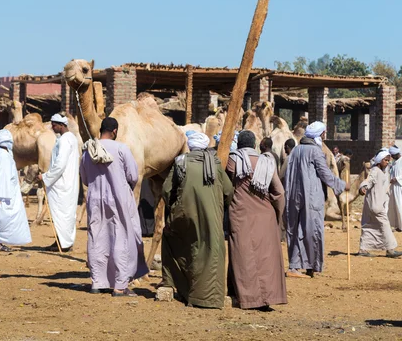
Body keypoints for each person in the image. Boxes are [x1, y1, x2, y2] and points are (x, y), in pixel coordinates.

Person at [160, 131, 234, 308]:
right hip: (211, 217)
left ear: (190, 146)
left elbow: (166, 190)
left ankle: (178, 286)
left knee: (172, 241)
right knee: (212, 250)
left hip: (184, 215)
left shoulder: (181, 162)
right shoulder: (215, 164)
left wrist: (173, 207)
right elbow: (228, 190)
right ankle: (208, 297)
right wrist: (219, 207)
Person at [80, 117, 148, 297]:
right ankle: (119, 285)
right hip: (119, 198)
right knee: (121, 237)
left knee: (96, 237)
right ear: (115, 132)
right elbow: (133, 175)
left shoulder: (88, 150)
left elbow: (85, 179)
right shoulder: (121, 149)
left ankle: (97, 282)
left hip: (95, 199)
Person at [226, 130, 287, 311]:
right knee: (266, 258)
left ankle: (245, 297)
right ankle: (267, 299)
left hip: (240, 214)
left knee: (242, 256)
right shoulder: (266, 162)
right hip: (265, 215)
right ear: (254, 145)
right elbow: (279, 193)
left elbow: (226, 188)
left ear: (238, 145)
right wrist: (277, 214)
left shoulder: (232, 161)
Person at [283, 121, 348, 278]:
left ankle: (299, 266)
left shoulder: (296, 150)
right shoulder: (315, 152)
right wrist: (341, 184)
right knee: (313, 230)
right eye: (324, 133)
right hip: (311, 197)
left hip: (293, 197)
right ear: (320, 134)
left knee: (297, 229)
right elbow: (325, 174)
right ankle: (308, 266)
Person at [0, 129, 31, 251]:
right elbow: (0, 175)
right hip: (4, 193)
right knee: (4, 217)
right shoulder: (3, 156)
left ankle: (0, 242)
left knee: (3, 216)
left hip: (6, 190)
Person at [37, 113, 80, 252]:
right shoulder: (69, 138)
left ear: (61, 125)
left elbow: (60, 164)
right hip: (67, 182)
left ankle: (64, 244)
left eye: (54, 125)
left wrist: (46, 177)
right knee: (64, 214)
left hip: (62, 183)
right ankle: (61, 241)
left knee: (62, 214)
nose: (52, 127)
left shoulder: (65, 140)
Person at [359, 149, 402, 258]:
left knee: (368, 226)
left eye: (388, 160)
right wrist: (363, 187)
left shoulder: (384, 171)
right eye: (385, 160)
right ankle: (390, 250)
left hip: (374, 204)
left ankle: (363, 249)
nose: (387, 162)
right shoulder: (375, 171)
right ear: (379, 160)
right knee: (385, 225)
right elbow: (369, 180)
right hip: (376, 205)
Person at [388, 145, 402, 232]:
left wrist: (396, 178)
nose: (392, 157)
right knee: (394, 206)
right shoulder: (394, 162)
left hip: (400, 186)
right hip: (393, 187)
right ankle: (397, 225)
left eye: (393, 155)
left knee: (400, 206)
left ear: (397, 154)